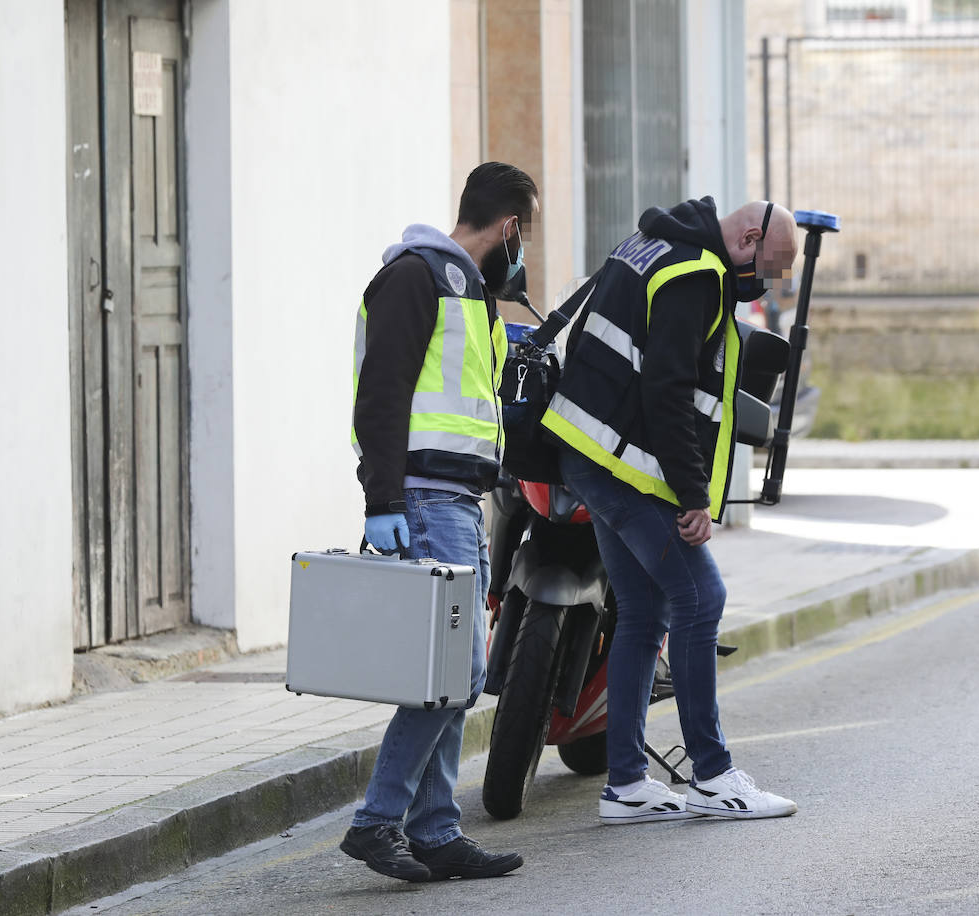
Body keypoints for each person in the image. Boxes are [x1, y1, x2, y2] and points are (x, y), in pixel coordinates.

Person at [542, 197, 801, 823]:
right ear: (745, 238)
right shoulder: (697, 275)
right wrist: (692, 498)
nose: (766, 283)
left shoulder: (653, 245)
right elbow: (667, 389)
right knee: (699, 600)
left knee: (644, 609)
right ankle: (712, 777)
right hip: (621, 461)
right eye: (769, 266)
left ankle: (626, 784)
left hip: (587, 449)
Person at [340, 162, 537, 882]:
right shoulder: (416, 277)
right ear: (510, 227)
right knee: (458, 670)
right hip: (422, 502)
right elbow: (381, 394)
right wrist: (382, 500)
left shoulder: (472, 296)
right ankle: (377, 821)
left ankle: (434, 829)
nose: (524, 255)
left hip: (458, 500)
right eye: (525, 237)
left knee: (448, 671)